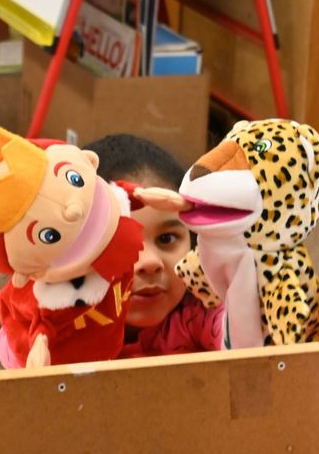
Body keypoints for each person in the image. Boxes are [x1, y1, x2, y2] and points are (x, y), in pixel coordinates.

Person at [84, 133, 224, 356]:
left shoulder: (203, 309)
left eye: (166, 239)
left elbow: (240, 336)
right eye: (121, 243)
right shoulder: (53, 328)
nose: (150, 262)